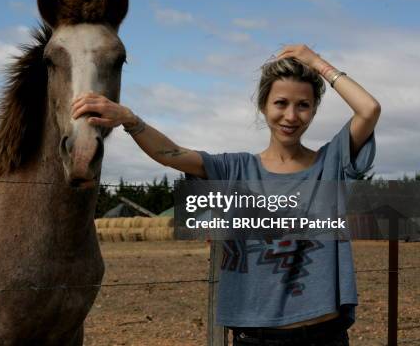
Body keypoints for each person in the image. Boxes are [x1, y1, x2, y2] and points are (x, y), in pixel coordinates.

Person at [71, 44, 380, 346]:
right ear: (263, 106)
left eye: (303, 105)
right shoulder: (233, 169)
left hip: (325, 336)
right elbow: (172, 154)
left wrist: (317, 62)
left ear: (313, 111)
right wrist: (130, 119)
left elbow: (369, 109)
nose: (291, 115)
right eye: (281, 103)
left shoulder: (331, 164)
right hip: (256, 338)